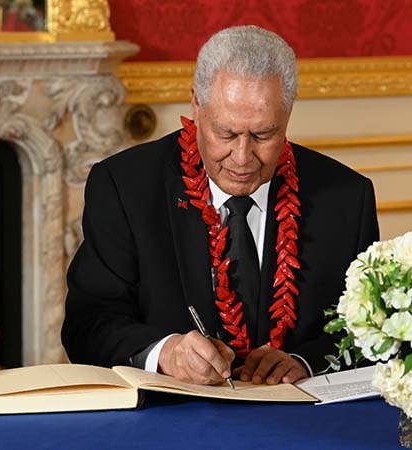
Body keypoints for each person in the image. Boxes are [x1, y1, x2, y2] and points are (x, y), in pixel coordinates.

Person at [62, 25, 379, 386]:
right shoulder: (125, 186)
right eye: (226, 134)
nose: (242, 157)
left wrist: (305, 362)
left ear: (288, 112)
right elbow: (87, 325)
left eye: (263, 135)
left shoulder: (347, 198)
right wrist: (164, 353)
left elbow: (372, 331)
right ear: (196, 104)